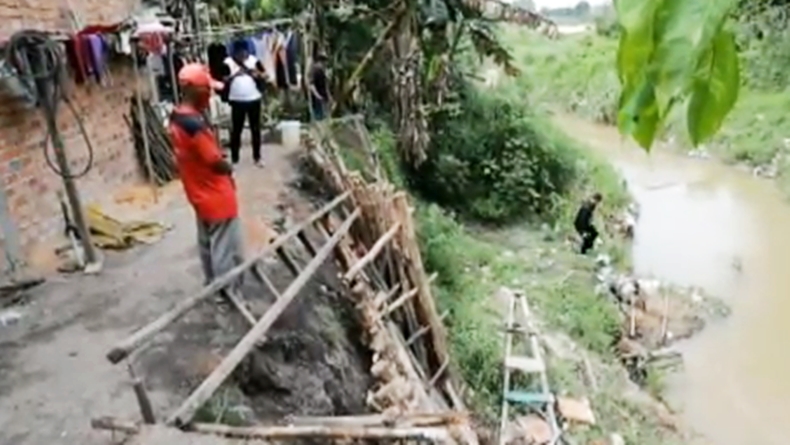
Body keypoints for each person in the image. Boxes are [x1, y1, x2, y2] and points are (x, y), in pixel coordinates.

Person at [169, 63, 245, 300]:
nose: (210, 94)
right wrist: (228, 166)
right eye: (207, 90)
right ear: (194, 91)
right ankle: (227, 292)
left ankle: (212, 284)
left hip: (197, 191)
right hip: (216, 193)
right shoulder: (195, 125)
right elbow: (214, 160)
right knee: (226, 246)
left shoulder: (176, 117)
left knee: (207, 242)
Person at [223, 40, 266, 167]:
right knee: (236, 130)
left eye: (244, 52)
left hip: (254, 99)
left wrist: (256, 74)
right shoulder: (228, 63)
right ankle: (235, 158)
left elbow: (264, 74)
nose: (242, 54)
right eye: (239, 52)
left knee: (256, 129)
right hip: (237, 100)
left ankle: (257, 157)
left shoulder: (254, 61)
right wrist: (235, 75)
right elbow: (223, 78)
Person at [309, 52, 330, 121]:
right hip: (318, 99)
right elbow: (311, 85)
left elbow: (325, 86)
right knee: (319, 117)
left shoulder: (322, 71)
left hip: (323, 98)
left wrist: (329, 96)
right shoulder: (315, 70)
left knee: (324, 117)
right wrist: (317, 96)